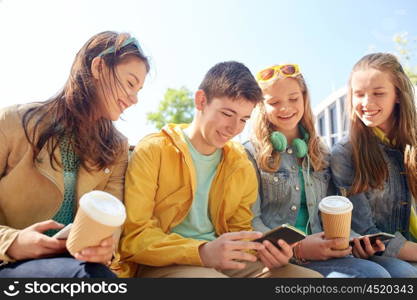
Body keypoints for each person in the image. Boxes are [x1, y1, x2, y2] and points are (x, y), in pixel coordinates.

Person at [112, 61, 321, 278]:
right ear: (201, 100)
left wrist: (267, 251)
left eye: (243, 119)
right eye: (227, 114)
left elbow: (239, 231)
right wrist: (201, 252)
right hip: (162, 263)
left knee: (310, 280)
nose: (234, 128)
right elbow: (134, 237)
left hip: (226, 261)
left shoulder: (240, 164)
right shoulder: (153, 150)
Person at [0, 31, 149, 278]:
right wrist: (13, 242)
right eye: (131, 83)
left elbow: (111, 225)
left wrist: (104, 249)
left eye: (139, 89)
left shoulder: (117, 149)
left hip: (74, 266)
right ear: (99, 66)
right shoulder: (13, 123)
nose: (134, 98)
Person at [244, 63, 392, 277]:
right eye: (274, 102)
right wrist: (299, 248)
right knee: (374, 276)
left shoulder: (320, 152)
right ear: (261, 107)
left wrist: (354, 240)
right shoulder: (249, 154)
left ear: (304, 98)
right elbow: (251, 221)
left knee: (390, 272)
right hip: (283, 258)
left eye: (293, 99)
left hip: (325, 253)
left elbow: (332, 211)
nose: (285, 107)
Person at [331, 52, 417, 277]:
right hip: (385, 255)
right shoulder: (346, 153)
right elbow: (367, 232)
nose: (367, 103)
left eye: (378, 93)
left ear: (397, 95)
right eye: (359, 94)